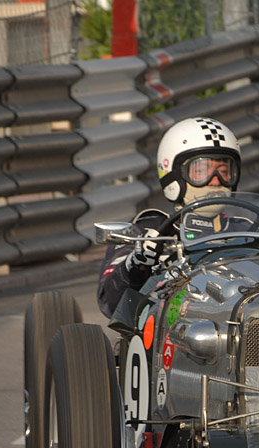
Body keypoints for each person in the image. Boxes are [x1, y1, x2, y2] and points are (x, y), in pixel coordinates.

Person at [97, 117, 242, 317]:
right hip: (170, 333)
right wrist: (137, 263)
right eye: (201, 171)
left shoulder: (251, 231)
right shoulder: (148, 230)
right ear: (175, 176)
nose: (215, 181)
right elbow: (110, 304)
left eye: (224, 171)